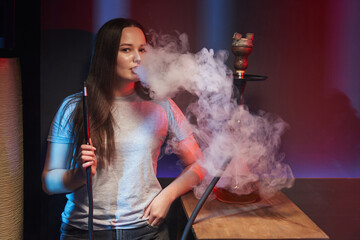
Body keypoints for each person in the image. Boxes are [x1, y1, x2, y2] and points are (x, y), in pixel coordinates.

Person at [42, 18, 204, 240]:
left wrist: (167, 196)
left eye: (142, 50)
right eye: (126, 50)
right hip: (84, 232)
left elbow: (198, 164)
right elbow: (48, 183)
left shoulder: (162, 104)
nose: (138, 58)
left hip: (146, 230)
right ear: (106, 55)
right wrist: (78, 175)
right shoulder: (74, 107)